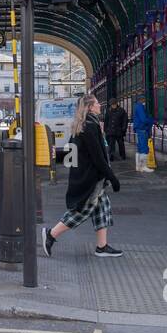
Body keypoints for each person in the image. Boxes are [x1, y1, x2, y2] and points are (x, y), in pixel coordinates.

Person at [42, 92, 123, 260]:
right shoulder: (89, 127)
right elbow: (98, 158)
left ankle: (102, 247)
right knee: (82, 212)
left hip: (88, 176)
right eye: (97, 103)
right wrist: (113, 178)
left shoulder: (84, 125)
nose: (100, 105)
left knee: (103, 208)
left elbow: (72, 155)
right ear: (90, 107)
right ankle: (51, 234)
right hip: (90, 178)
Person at [133, 98, 154, 173]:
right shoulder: (140, 107)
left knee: (139, 148)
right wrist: (152, 120)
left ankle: (138, 166)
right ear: (141, 100)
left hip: (139, 130)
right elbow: (144, 119)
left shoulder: (136, 106)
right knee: (144, 148)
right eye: (144, 101)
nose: (144, 102)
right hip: (142, 130)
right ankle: (143, 166)